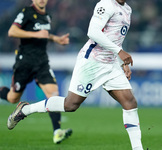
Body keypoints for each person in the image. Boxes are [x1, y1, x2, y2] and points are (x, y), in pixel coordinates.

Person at [7, 0, 144, 149]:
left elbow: (116, 39)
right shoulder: (106, 4)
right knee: (71, 105)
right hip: (92, 62)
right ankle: (25, 110)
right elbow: (93, 32)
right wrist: (120, 52)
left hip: (111, 65)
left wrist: (121, 61)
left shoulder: (127, 10)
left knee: (130, 102)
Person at [0, 0, 72, 144]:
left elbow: (44, 34)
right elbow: (12, 31)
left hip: (42, 63)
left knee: (53, 94)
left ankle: (57, 132)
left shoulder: (47, 16)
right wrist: (36, 34)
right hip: (25, 62)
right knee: (12, 98)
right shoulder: (26, 12)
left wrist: (55, 39)